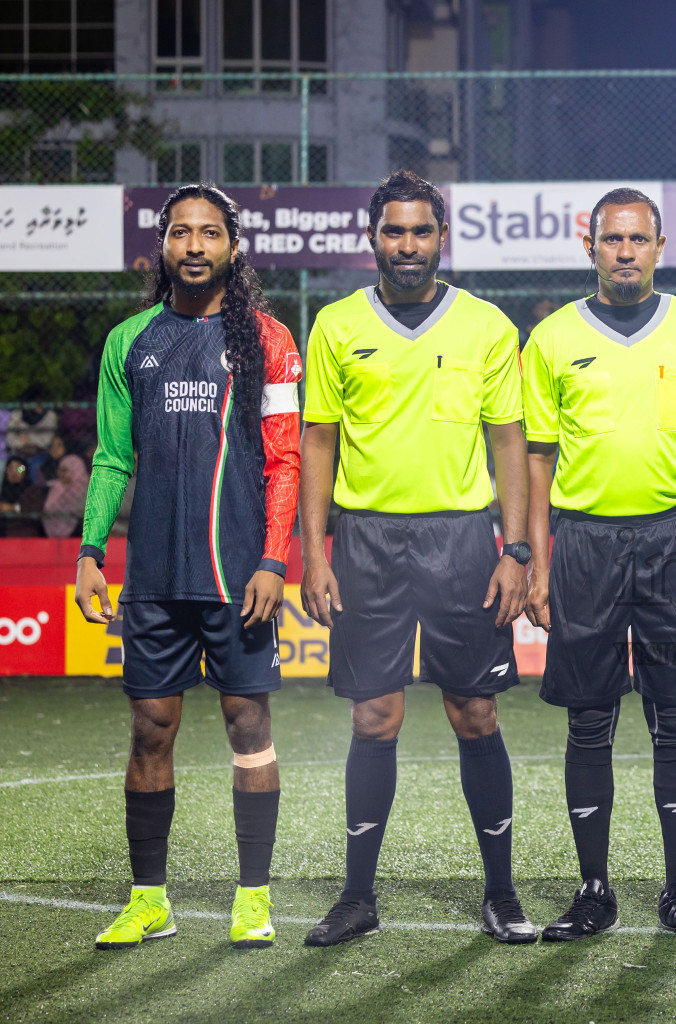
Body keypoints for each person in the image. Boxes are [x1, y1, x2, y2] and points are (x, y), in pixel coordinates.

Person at [299, 170, 536, 947]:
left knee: (475, 712)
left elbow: (510, 443)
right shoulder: (335, 324)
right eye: (394, 231)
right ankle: (357, 895)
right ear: (372, 237)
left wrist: (517, 549)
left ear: (442, 237)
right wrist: (314, 551)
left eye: (421, 231)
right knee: (375, 716)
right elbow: (319, 440)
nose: (407, 245)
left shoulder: (487, 327)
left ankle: (501, 893)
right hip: (365, 540)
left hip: (463, 541)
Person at [73, 183, 302, 951]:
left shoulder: (266, 339)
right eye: (181, 233)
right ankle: (150, 901)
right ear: (162, 248)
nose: (195, 246)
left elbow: (284, 460)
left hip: (240, 580)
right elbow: (110, 458)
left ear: (234, 248)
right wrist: (90, 551)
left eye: (210, 234)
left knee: (249, 728)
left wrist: (274, 559)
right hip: (156, 581)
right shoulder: (128, 341)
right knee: (149, 732)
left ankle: (253, 896)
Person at [522, 187, 676, 942]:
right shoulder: (549, 339)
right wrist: (537, 563)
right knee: (589, 722)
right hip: (584, 544)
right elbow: (537, 459)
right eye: (613, 239)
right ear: (591, 246)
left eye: (638, 239)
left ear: (660, 246)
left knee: (674, 718)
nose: (625, 251)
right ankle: (593, 890)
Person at [43, 452, 88, 537]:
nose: (60, 474)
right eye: (60, 470)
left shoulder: (86, 487)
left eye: (65, 470)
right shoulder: (55, 487)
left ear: (75, 470)